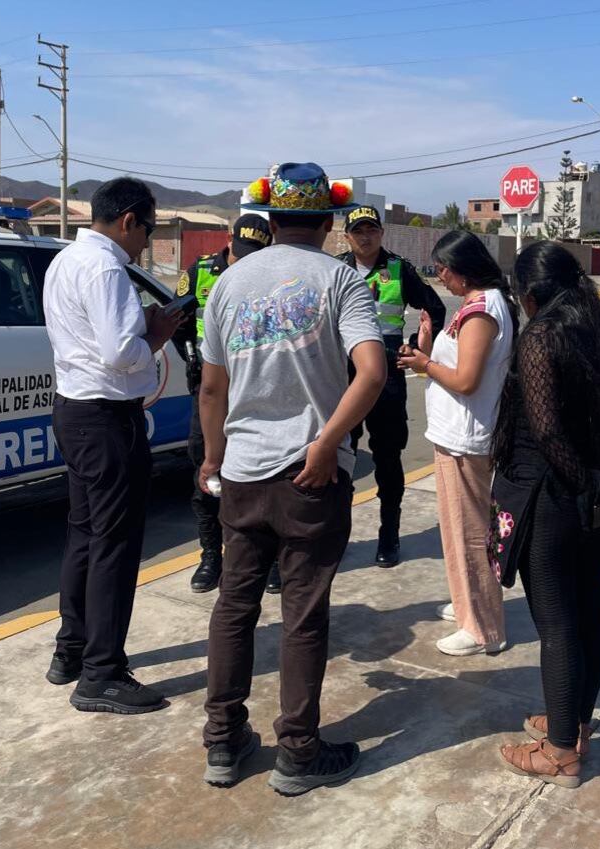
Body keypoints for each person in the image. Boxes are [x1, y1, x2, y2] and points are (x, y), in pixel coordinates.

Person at [198, 163, 386, 794]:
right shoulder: (343, 282)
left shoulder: (228, 283)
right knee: (303, 613)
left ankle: (222, 742)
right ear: (329, 223)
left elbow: (213, 387)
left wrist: (212, 458)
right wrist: (327, 445)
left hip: (244, 471)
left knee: (234, 606)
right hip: (313, 473)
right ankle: (297, 753)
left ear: (269, 221)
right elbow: (372, 372)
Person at [492, 241, 600, 787]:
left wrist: (599, 484)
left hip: (554, 494)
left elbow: (546, 432)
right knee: (589, 608)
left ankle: (560, 751)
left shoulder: (542, 335)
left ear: (531, 294)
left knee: (557, 622)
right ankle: (574, 723)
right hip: (595, 496)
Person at [43, 177, 183, 714]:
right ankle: (102, 673)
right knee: (115, 545)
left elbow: (91, 337)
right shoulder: (106, 269)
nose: (147, 239)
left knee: (84, 534)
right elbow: (122, 353)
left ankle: (72, 650)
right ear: (128, 220)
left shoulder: (66, 260)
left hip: (75, 411)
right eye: (147, 227)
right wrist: (159, 333)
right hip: (106, 419)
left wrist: (140, 327)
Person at [398, 231, 517, 656]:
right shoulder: (472, 306)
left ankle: (484, 628)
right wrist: (428, 350)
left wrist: (425, 362)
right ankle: (469, 604)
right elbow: (457, 367)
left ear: (462, 268)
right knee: (455, 529)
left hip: (467, 439)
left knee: (469, 533)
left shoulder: (483, 311)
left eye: (443, 269)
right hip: (453, 434)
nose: (440, 276)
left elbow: (466, 380)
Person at [172, 214, 278, 594]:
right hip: (211, 391)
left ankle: (272, 558)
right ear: (228, 239)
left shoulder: (270, 276)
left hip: (255, 389)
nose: (246, 258)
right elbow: (178, 323)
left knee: (266, 474)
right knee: (207, 472)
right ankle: (211, 556)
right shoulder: (200, 272)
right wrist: (194, 363)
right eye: (241, 249)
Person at [335, 205, 446, 566]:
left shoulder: (399, 269)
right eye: (358, 231)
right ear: (347, 236)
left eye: (371, 230)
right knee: (340, 458)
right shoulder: (336, 269)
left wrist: (414, 344)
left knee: (386, 458)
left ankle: (389, 537)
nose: (365, 236)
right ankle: (336, 536)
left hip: (386, 376)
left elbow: (434, 308)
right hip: (345, 375)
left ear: (381, 233)